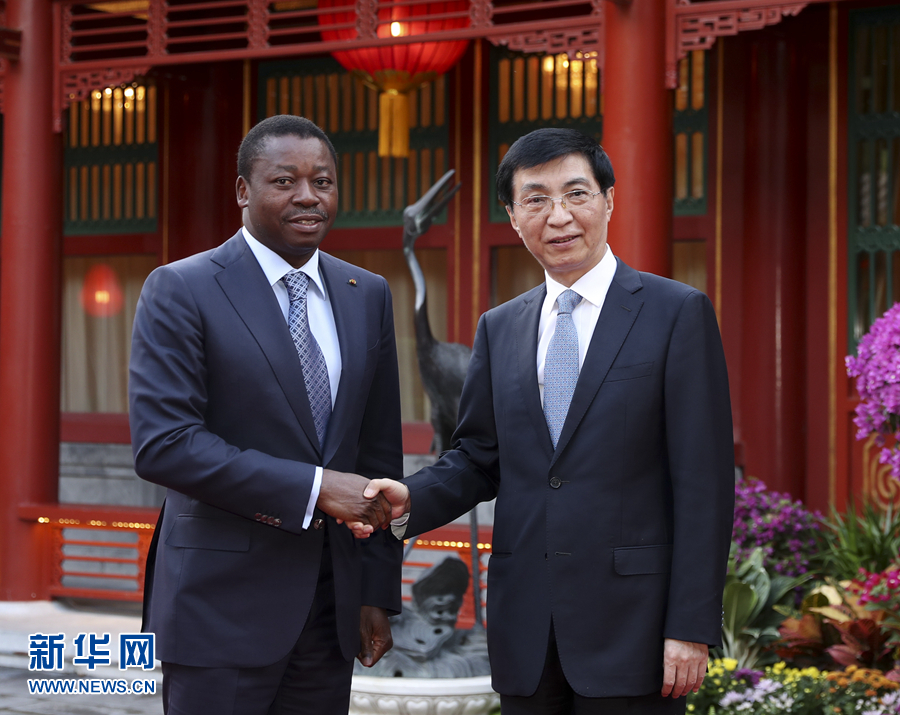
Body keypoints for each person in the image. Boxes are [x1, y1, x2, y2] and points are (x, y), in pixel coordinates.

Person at [359, 128, 735, 715]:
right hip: (527, 628)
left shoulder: (676, 313)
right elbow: (478, 457)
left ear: (608, 200)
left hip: (634, 627)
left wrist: (690, 625)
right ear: (513, 217)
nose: (558, 216)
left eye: (576, 194)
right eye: (535, 199)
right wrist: (412, 497)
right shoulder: (500, 327)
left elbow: (703, 484)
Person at [129, 114, 402, 715]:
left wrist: (376, 591)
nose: (308, 196)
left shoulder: (368, 294)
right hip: (219, 606)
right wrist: (315, 488)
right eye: (284, 181)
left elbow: (379, 453)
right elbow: (165, 444)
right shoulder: (181, 288)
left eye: (322, 181)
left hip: (331, 609)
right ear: (242, 191)